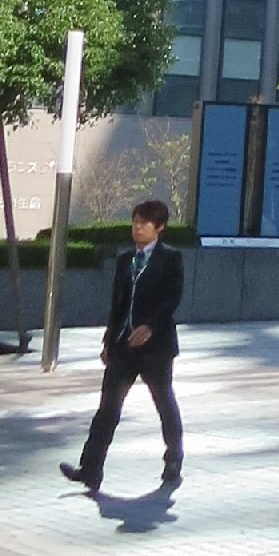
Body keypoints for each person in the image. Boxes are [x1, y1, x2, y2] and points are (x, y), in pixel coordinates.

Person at [61, 199, 184, 492]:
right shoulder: (124, 258)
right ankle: (90, 469)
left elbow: (172, 298)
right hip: (123, 345)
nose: (137, 228)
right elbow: (117, 303)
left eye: (144, 223)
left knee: (164, 403)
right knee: (108, 407)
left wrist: (150, 326)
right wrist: (109, 340)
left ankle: (173, 458)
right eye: (135, 222)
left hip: (156, 347)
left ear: (159, 227)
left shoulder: (170, 258)